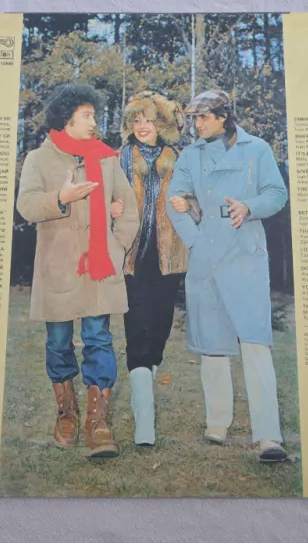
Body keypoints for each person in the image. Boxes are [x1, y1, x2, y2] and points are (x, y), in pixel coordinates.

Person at [16, 83, 139, 458]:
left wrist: (117, 248)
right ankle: (66, 414)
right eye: (87, 115)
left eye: (94, 115)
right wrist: (61, 198)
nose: (94, 122)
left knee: (99, 339)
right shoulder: (39, 159)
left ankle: (98, 422)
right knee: (58, 342)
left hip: (100, 271)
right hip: (59, 270)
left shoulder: (107, 158)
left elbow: (128, 208)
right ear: (66, 119)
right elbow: (26, 206)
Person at [167, 89, 289, 463]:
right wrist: (196, 241)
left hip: (245, 252)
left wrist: (249, 207)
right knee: (212, 344)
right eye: (193, 118)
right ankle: (217, 424)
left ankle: (268, 436)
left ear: (223, 116)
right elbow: (175, 201)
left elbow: (277, 193)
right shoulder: (190, 155)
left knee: (255, 341)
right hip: (206, 256)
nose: (196, 124)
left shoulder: (257, 149)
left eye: (203, 117)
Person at [110, 91, 190, 446]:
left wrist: (189, 204)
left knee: (158, 334)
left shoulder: (180, 159)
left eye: (150, 120)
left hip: (170, 258)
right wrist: (109, 209)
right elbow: (101, 196)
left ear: (163, 124)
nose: (142, 126)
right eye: (137, 120)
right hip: (133, 259)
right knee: (139, 333)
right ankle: (146, 424)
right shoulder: (118, 158)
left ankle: (144, 396)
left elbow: (197, 199)